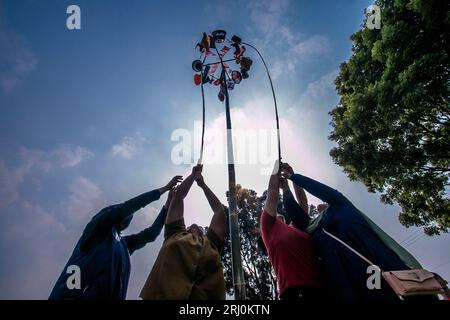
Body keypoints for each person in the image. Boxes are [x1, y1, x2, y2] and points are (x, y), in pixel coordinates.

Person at [280, 162, 435, 301]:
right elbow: (298, 214)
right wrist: (285, 187)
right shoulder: (313, 230)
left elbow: (321, 190)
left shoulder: (341, 205)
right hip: (349, 287)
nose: (319, 206)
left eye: (323, 204)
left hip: (383, 269)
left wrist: (293, 176)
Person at [49, 175, 182, 300]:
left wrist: (168, 203)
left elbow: (151, 234)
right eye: (125, 213)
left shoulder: (123, 246)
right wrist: (164, 189)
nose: (128, 216)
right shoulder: (96, 229)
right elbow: (124, 208)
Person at [140, 165, 227, 300]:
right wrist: (193, 176)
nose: (194, 225)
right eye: (189, 227)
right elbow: (179, 195)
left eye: (199, 226)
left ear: (204, 232)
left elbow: (219, 211)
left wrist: (203, 185)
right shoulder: (174, 233)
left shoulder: (212, 243)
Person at [260, 162, 322, 301]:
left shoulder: (294, 227)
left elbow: (302, 207)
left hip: (320, 289)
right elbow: (272, 191)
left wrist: (292, 177)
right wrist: (276, 167)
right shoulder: (268, 227)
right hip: (294, 292)